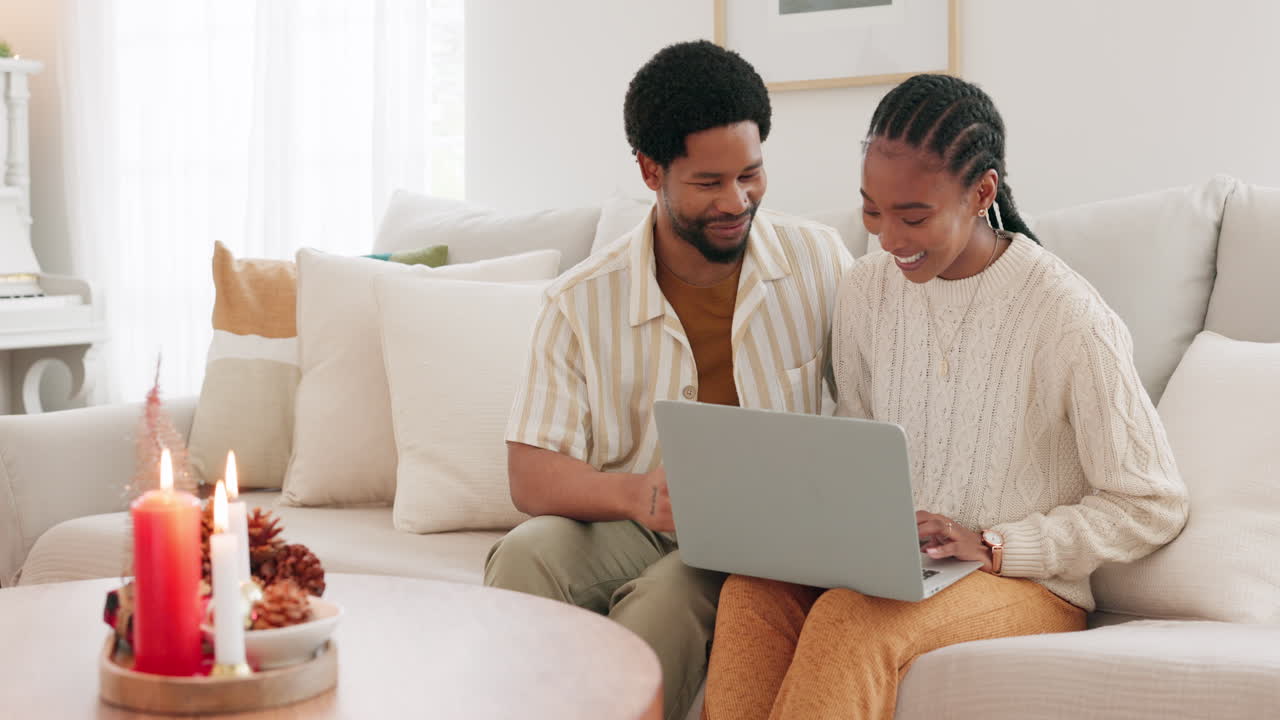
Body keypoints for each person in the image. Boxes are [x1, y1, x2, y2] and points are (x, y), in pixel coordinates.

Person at [701, 73, 1190, 720]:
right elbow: (860, 444)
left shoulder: (1068, 316)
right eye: (872, 211)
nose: (887, 238)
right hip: (894, 564)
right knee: (750, 593)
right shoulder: (865, 289)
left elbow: (1152, 503)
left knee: (852, 621)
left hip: (1023, 582)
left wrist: (994, 544)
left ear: (981, 191)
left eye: (913, 216)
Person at [484, 40, 854, 720]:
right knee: (523, 556)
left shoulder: (820, 260)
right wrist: (635, 494)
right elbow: (529, 473)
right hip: (641, 517)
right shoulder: (580, 299)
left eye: (751, 174)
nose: (737, 200)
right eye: (709, 183)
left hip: (762, 533)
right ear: (650, 170)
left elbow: (870, 404)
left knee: (660, 606)